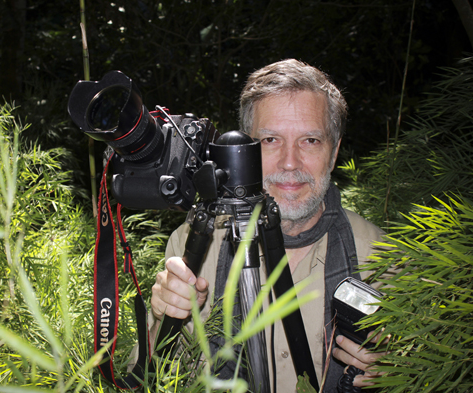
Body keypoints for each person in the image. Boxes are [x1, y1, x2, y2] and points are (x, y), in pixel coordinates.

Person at [149, 59, 386, 392]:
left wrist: (395, 373)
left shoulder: (383, 257)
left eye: (311, 141)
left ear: (333, 153)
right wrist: (163, 318)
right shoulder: (195, 245)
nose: (290, 162)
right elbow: (146, 375)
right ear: (242, 151)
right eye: (270, 140)